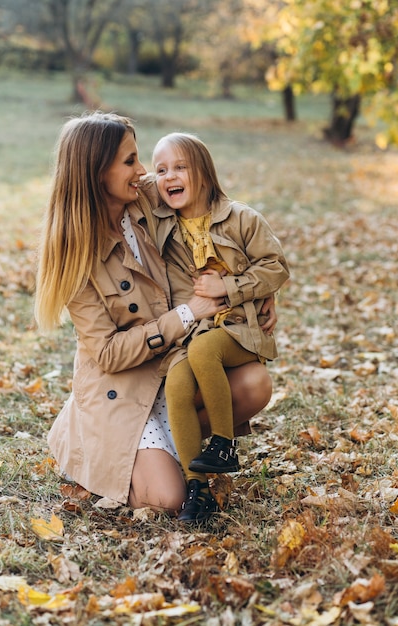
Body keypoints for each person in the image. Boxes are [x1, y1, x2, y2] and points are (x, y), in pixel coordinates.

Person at [34, 111, 278, 520]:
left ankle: (170, 442)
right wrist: (187, 313)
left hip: (175, 364)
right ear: (97, 172)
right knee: (167, 500)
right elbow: (109, 354)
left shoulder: (147, 194)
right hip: (123, 386)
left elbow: (219, 227)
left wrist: (253, 288)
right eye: (130, 161)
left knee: (255, 384)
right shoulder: (73, 253)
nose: (144, 171)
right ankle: (89, 437)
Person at [149, 132, 289, 522]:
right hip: (195, 330)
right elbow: (139, 180)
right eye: (161, 170)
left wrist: (228, 287)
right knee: (177, 382)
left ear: (205, 176)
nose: (169, 176)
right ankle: (197, 488)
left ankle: (225, 445)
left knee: (203, 350)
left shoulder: (241, 218)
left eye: (180, 168)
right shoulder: (166, 225)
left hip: (243, 329)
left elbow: (276, 266)